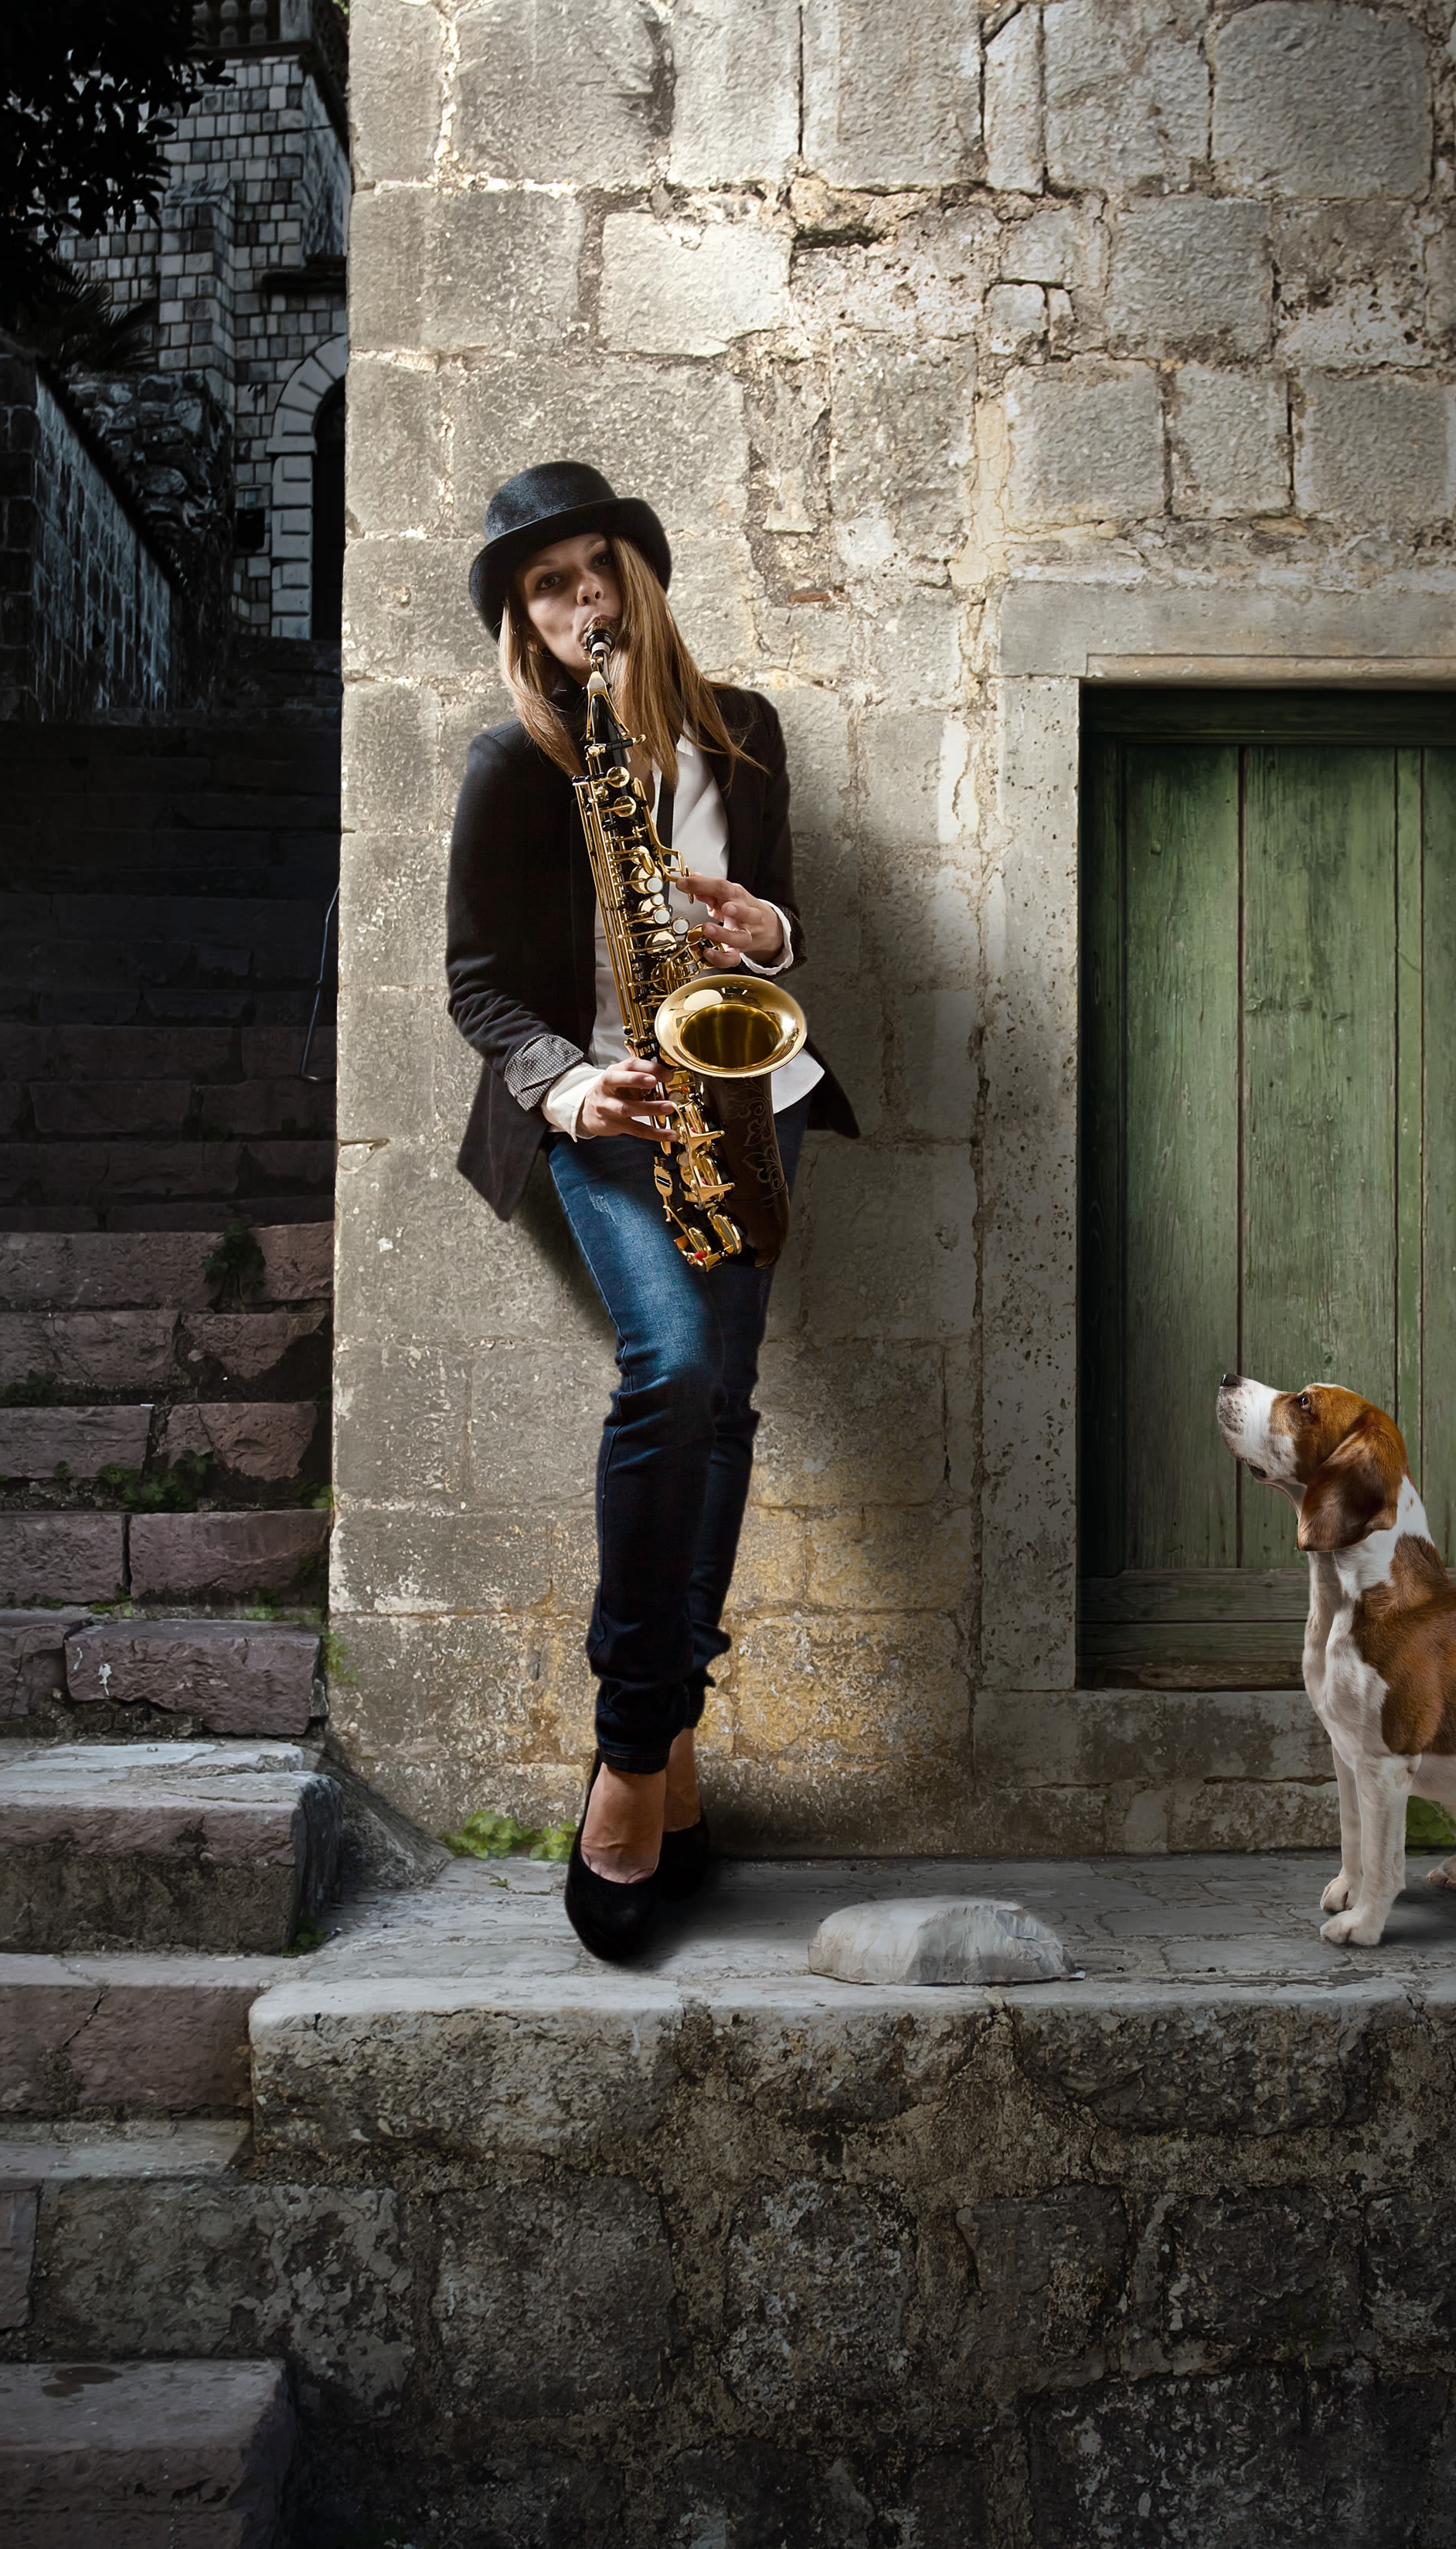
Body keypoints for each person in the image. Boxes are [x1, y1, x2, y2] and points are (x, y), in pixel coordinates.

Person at [442, 462, 861, 1963]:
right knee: (673, 1375)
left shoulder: (745, 733)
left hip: (754, 1089)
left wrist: (766, 929)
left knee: (728, 1406)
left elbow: (785, 920)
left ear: (640, 574)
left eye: (598, 568)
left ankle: (677, 1743)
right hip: (612, 1108)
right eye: (549, 587)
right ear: (524, 622)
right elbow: (478, 987)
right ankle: (634, 1750)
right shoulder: (516, 769)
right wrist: (570, 1091)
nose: (584, 602)